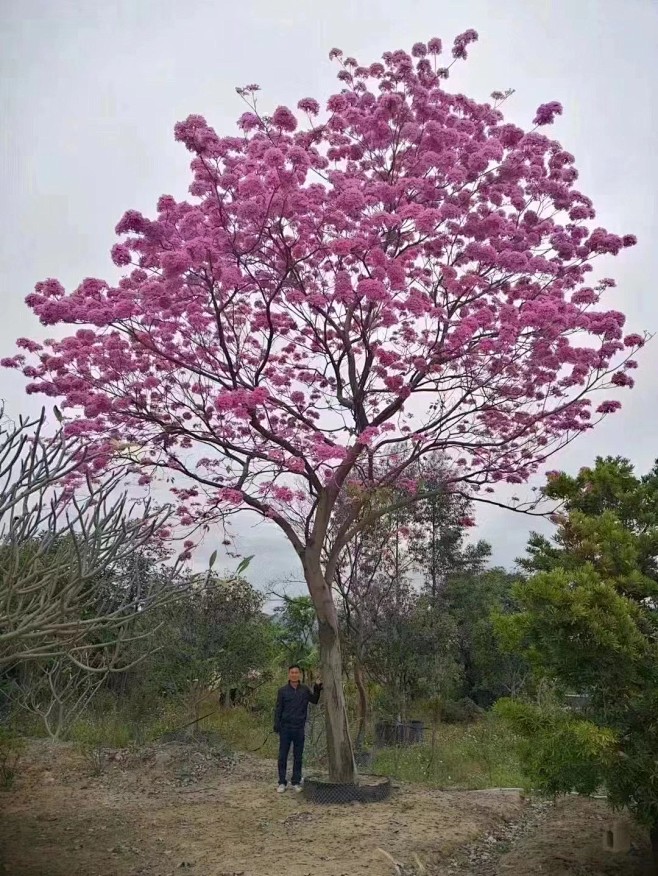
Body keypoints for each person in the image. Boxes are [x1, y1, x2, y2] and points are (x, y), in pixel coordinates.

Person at [273, 665, 322, 792]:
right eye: (292, 672)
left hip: (299, 727)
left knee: (298, 756)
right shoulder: (283, 691)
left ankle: (296, 781)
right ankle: (282, 782)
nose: (294, 674)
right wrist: (277, 724)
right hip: (285, 728)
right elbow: (278, 708)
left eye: (296, 672)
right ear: (289, 674)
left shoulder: (304, 690)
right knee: (283, 755)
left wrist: (317, 687)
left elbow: (315, 700)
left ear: (299, 674)